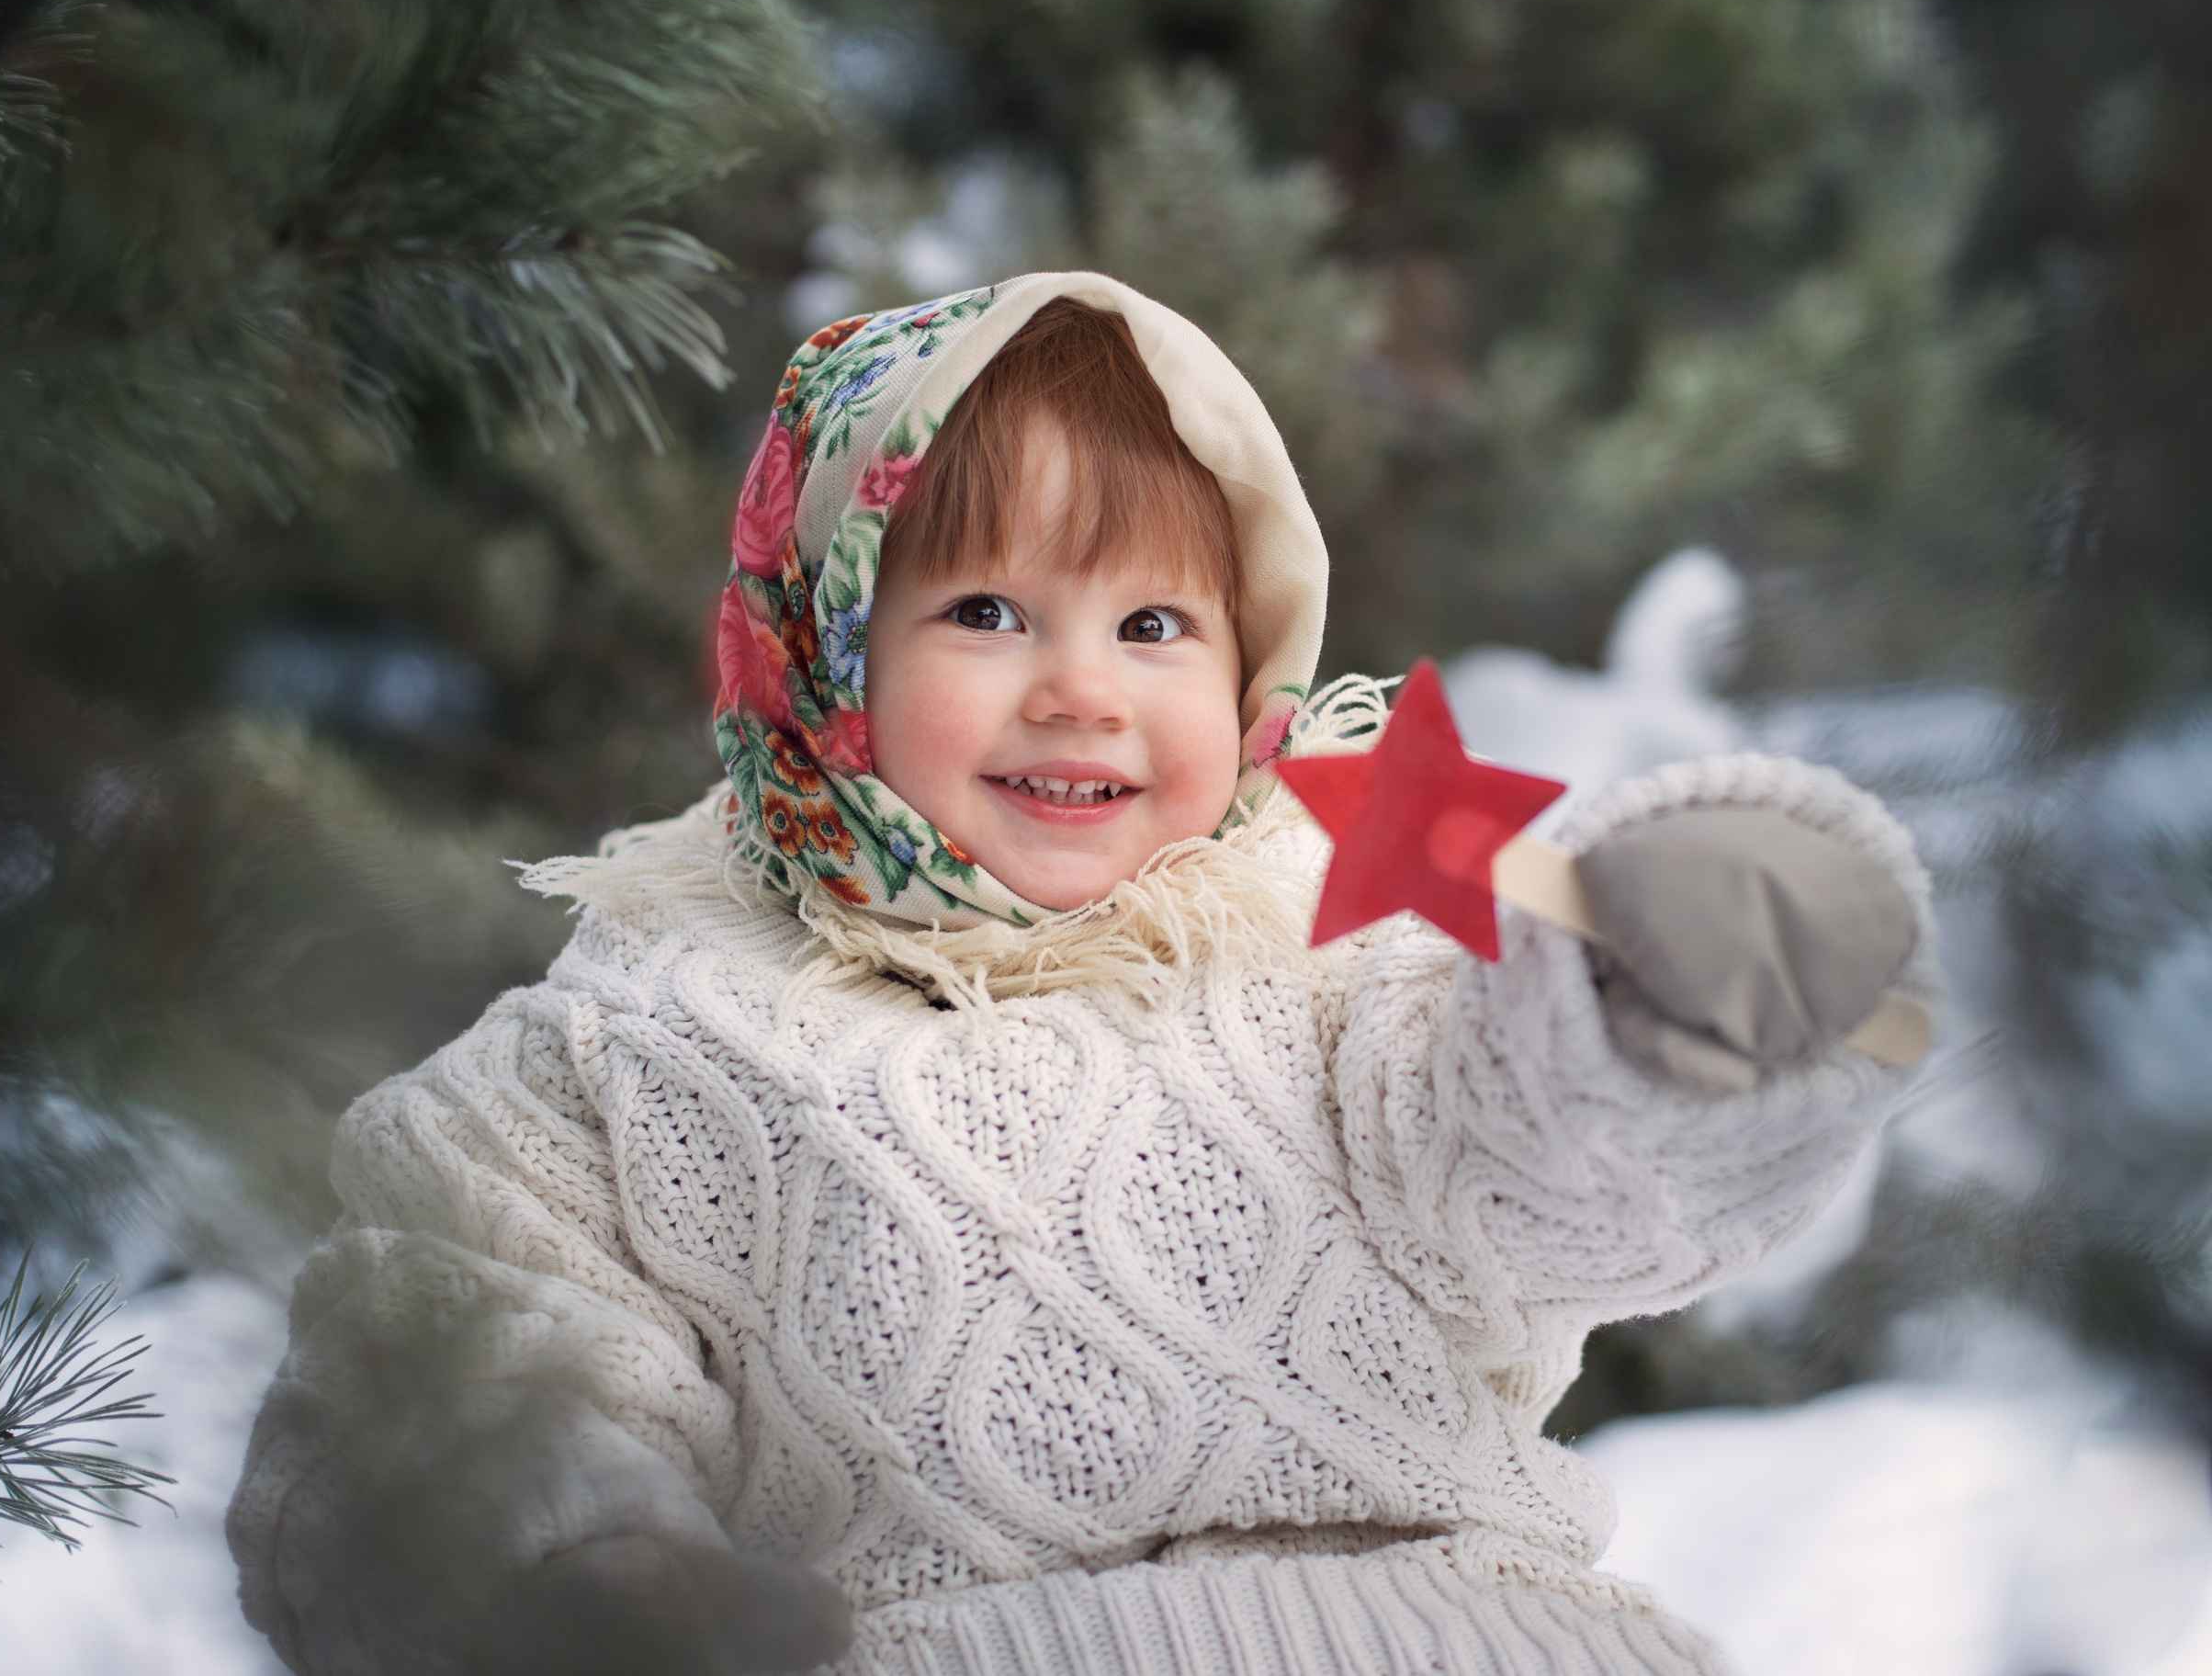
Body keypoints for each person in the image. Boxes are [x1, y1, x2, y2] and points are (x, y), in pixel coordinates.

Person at [226, 273, 1934, 1676]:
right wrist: (580, 1585)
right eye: (984, 610)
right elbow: (442, 1351)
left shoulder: (1333, 958)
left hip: (1454, 1638)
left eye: (1153, 626)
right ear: (823, 646)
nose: (1082, 691)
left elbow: (1555, 1165)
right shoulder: (634, 1043)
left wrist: (1683, 1018)